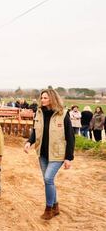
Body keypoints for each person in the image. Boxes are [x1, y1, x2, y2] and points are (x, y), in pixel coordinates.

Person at [23, 89, 74, 220]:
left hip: (58, 154)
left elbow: (70, 137)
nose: (42, 100)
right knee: (48, 181)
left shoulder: (63, 114)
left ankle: (49, 209)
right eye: (42, 97)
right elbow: (35, 131)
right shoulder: (39, 113)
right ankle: (56, 206)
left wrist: (69, 158)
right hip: (43, 153)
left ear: (52, 99)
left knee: (48, 179)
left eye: (45, 98)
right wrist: (29, 142)